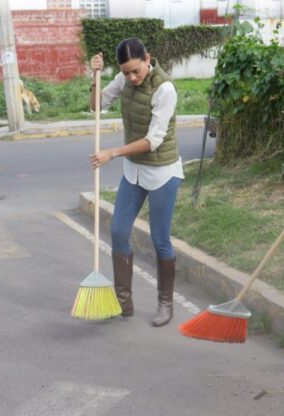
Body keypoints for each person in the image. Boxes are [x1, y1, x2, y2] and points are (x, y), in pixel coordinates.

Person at [88, 38, 183, 327]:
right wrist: (94, 77)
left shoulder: (165, 89)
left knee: (160, 240)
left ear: (147, 59)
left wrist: (112, 153)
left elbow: (153, 141)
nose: (131, 78)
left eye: (135, 71)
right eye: (125, 72)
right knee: (118, 231)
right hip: (135, 171)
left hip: (162, 172)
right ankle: (123, 302)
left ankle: (165, 304)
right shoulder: (122, 79)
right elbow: (96, 106)